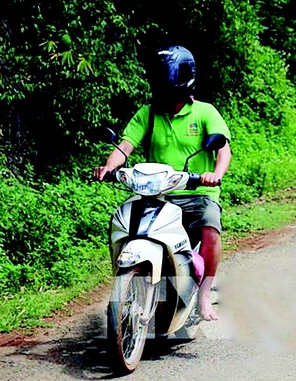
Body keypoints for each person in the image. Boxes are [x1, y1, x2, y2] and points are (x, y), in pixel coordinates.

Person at [94, 45, 231, 321]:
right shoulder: (148, 114)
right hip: (157, 194)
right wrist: (109, 167)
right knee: (123, 222)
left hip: (197, 192)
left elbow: (223, 149)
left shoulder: (205, 112)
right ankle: (129, 278)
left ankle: (204, 294)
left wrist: (215, 174)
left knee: (210, 227)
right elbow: (125, 146)